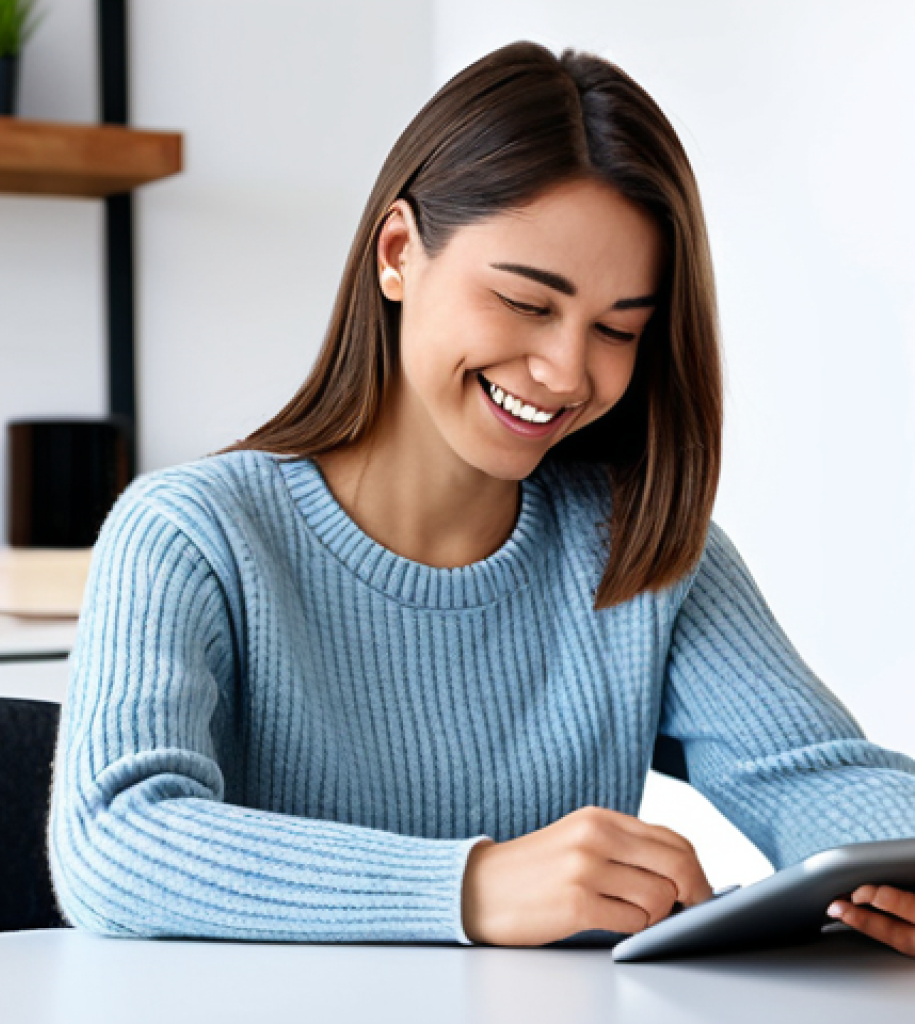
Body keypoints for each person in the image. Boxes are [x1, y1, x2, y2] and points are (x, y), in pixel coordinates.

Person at [47, 41, 915, 954]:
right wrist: (472, 886)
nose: (566, 371)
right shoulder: (192, 534)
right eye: (527, 303)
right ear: (397, 254)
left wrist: (890, 875)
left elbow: (817, 779)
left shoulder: (641, 551)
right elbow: (114, 844)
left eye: (618, 329)